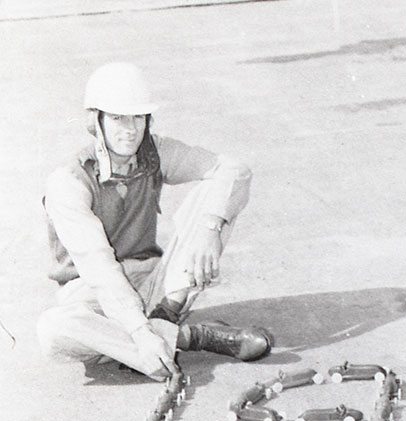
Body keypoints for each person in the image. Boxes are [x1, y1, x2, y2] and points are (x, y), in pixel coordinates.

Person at [37, 62, 273, 381]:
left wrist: (210, 227)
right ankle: (191, 338)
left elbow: (235, 170)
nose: (130, 129)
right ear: (96, 121)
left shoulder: (155, 152)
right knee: (53, 331)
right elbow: (99, 268)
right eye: (117, 117)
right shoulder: (68, 181)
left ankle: (158, 326)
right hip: (93, 293)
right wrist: (139, 331)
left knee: (215, 195)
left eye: (138, 117)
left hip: (154, 282)